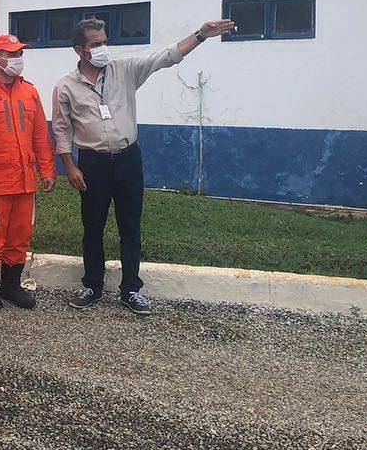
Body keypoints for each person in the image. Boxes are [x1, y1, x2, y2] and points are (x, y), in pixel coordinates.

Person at [52, 16, 236, 314]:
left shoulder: (124, 70)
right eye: (95, 44)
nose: (103, 49)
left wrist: (200, 35)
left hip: (128, 159)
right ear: (79, 50)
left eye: (105, 42)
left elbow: (166, 56)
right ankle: (92, 286)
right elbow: (62, 129)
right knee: (93, 228)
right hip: (92, 164)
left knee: (131, 228)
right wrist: (69, 166)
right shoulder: (66, 86)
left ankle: (130, 290)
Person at [0, 34, 57, 311]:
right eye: (13, 54)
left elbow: (40, 134)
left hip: (25, 179)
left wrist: (47, 170)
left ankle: (10, 286)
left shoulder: (29, 91)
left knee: (20, 235)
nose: (19, 59)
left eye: (20, 53)